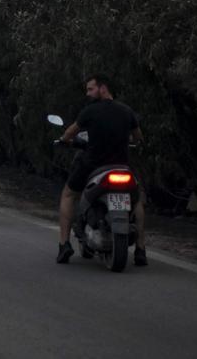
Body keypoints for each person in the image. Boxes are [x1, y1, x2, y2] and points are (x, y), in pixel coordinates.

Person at [55, 73, 147, 266]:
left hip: (93, 166)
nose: (88, 93)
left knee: (68, 194)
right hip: (122, 167)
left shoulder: (90, 111)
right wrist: (131, 141)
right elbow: (139, 138)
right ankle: (140, 249)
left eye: (91, 89)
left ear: (102, 88)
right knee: (137, 199)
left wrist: (64, 140)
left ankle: (64, 244)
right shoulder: (126, 111)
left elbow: (71, 131)